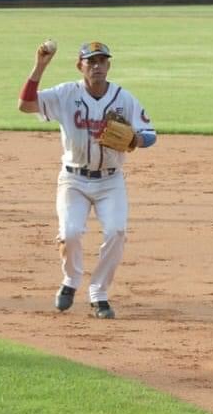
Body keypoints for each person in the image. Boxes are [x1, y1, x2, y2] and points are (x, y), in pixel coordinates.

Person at [17, 40, 157, 319]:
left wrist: (136, 139)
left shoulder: (123, 98)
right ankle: (70, 281)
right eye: (91, 61)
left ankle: (99, 294)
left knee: (116, 232)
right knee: (69, 233)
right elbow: (26, 104)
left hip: (110, 181)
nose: (97, 66)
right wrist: (40, 66)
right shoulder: (66, 94)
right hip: (73, 181)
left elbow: (150, 134)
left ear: (109, 65)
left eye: (102, 61)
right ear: (80, 66)